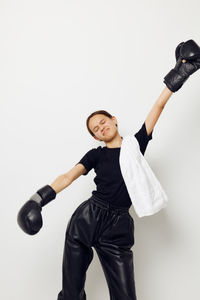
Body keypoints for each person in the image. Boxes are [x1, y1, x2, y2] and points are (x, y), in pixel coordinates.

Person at [17, 39, 200, 300]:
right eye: (96, 129)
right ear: (96, 137)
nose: (101, 128)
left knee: (125, 296)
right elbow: (68, 176)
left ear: (113, 120)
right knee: (71, 293)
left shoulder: (135, 144)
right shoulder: (96, 155)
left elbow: (157, 108)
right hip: (87, 219)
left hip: (119, 226)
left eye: (103, 122)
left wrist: (180, 74)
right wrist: (38, 199)